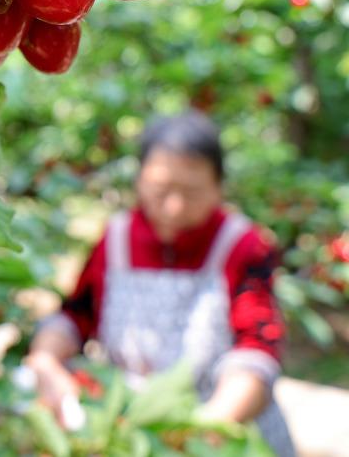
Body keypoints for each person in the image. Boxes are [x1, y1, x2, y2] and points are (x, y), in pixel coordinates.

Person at [26, 111, 296, 457]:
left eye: (193, 192)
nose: (174, 207)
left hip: (223, 428)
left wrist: (208, 427)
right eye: (160, 190)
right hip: (133, 431)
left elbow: (257, 346)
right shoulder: (117, 238)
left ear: (218, 186)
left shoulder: (243, 245)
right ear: (139, 180)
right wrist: (46, 359)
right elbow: (75, 316)